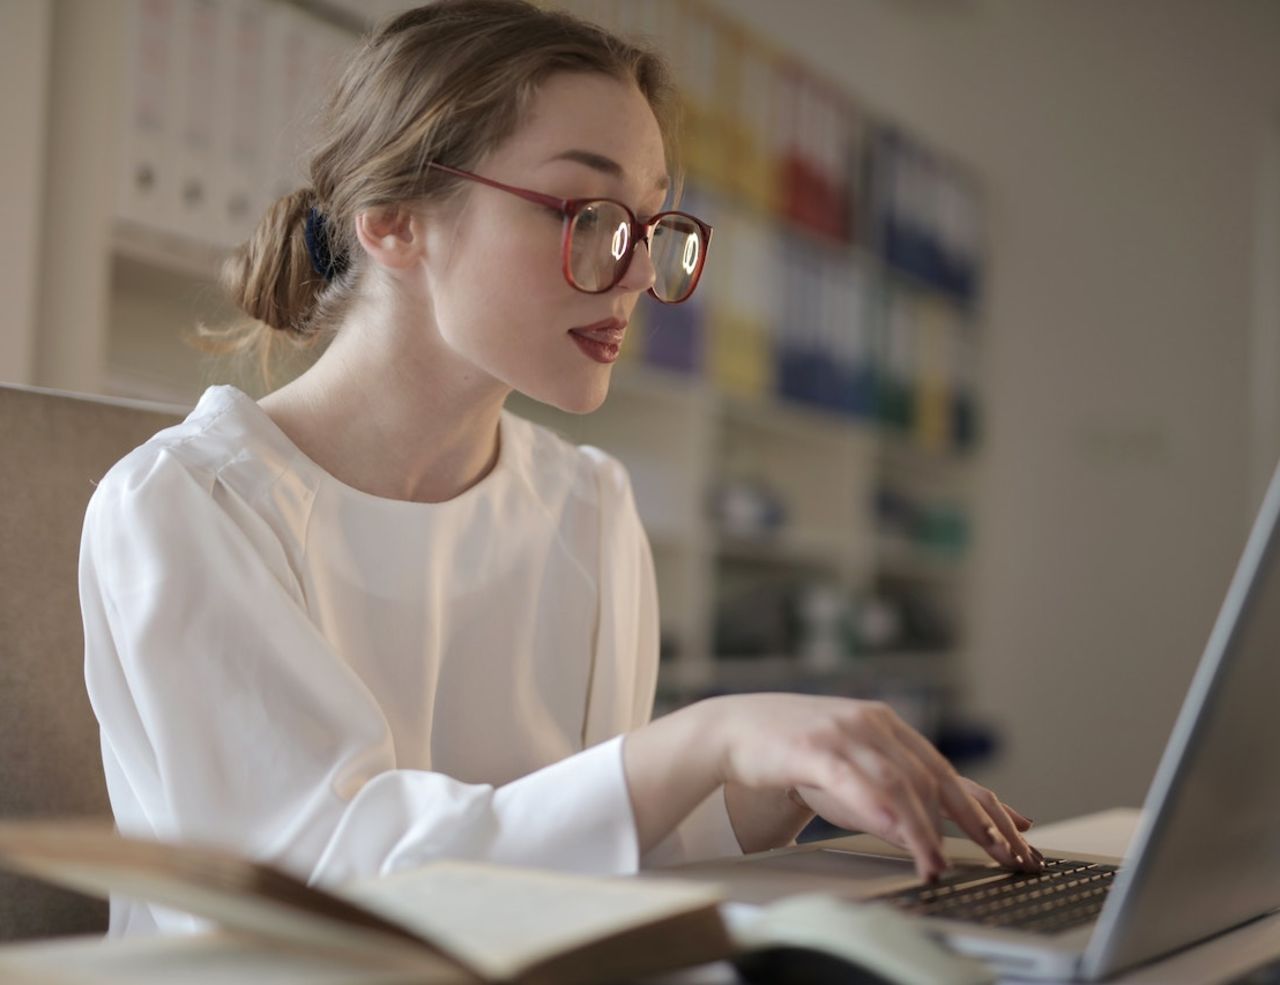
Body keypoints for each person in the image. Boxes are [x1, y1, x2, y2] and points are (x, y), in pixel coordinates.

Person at [79, 0, 1040, 938]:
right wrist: (706, 736)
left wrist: (776, 778)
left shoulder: (589, 504)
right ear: (394, 220)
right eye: (586, 212)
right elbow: (326, 898)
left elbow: (585, 855)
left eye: (650, 226)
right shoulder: (189, 507)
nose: (637, 274)